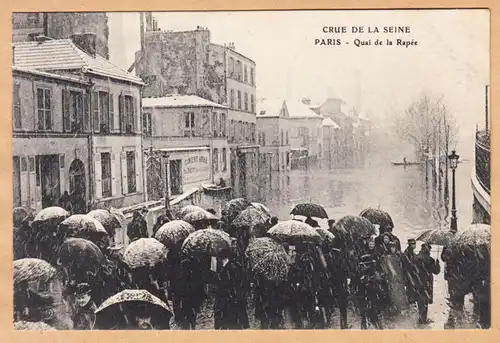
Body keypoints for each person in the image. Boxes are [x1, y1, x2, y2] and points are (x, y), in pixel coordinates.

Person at [213, 253, 249, 329]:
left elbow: (229, 283)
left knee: (230, 319)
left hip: (230, 297)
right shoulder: (235, 265)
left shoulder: (229, 268)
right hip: (235, 296)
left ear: (222, 259)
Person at [355, 254, 386, 329]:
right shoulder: (360, 274)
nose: (362, 267)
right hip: (363, 298)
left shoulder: (374, 274)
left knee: (374, 317)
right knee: (365, 318)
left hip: (371, 299)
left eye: (364, 265)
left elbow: (378, 287)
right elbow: (356, 285)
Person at [414, 243, 441, 325]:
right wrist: (437, 264)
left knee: (420, 300)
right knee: (425, 300)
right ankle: (423, 319)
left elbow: (413, 270)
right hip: (427, 282)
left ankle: (421, 318)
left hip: (418, 282)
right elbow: (436, 271)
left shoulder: (416, 258)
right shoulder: (430, 259)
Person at [402, 238, 419, 305]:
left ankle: (412, 300)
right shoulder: (406, 253)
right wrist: (413, 266)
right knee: (411, 285)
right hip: (407, 272)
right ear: (409, 245)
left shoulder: (413, 253)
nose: (414, 245)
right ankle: (410, 301)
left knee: (413, 286)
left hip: (413, 272)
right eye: (412, 244)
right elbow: (407, 264)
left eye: (414, 244)